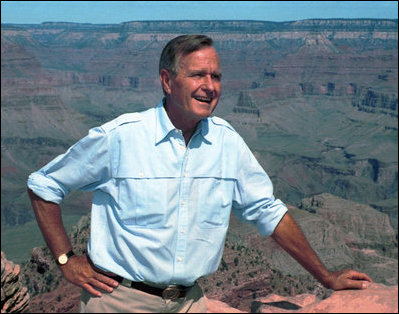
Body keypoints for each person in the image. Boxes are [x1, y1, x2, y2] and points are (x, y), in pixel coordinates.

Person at [27, 34, 372, 313]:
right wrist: (66, 259)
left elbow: (268, 212)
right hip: (120, 302)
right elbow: (44, 186)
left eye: (216, 76)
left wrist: (325, 276)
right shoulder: (121, 137)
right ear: (167, 80)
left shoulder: (227, 143)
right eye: (197, 75)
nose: (210, 86)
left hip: (190, 302)